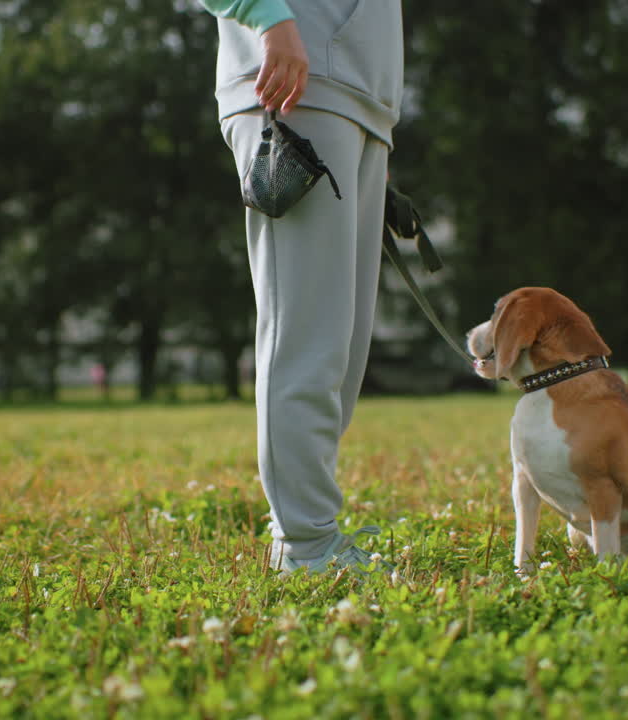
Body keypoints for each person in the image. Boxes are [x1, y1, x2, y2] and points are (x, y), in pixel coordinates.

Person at [198, 0, 404, 573]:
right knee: (307, 340)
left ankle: (304, 533)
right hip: (295, 83)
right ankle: (306, 547)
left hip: (356, 100)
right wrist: (268, 17)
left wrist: (374, 124)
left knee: (342, 351)